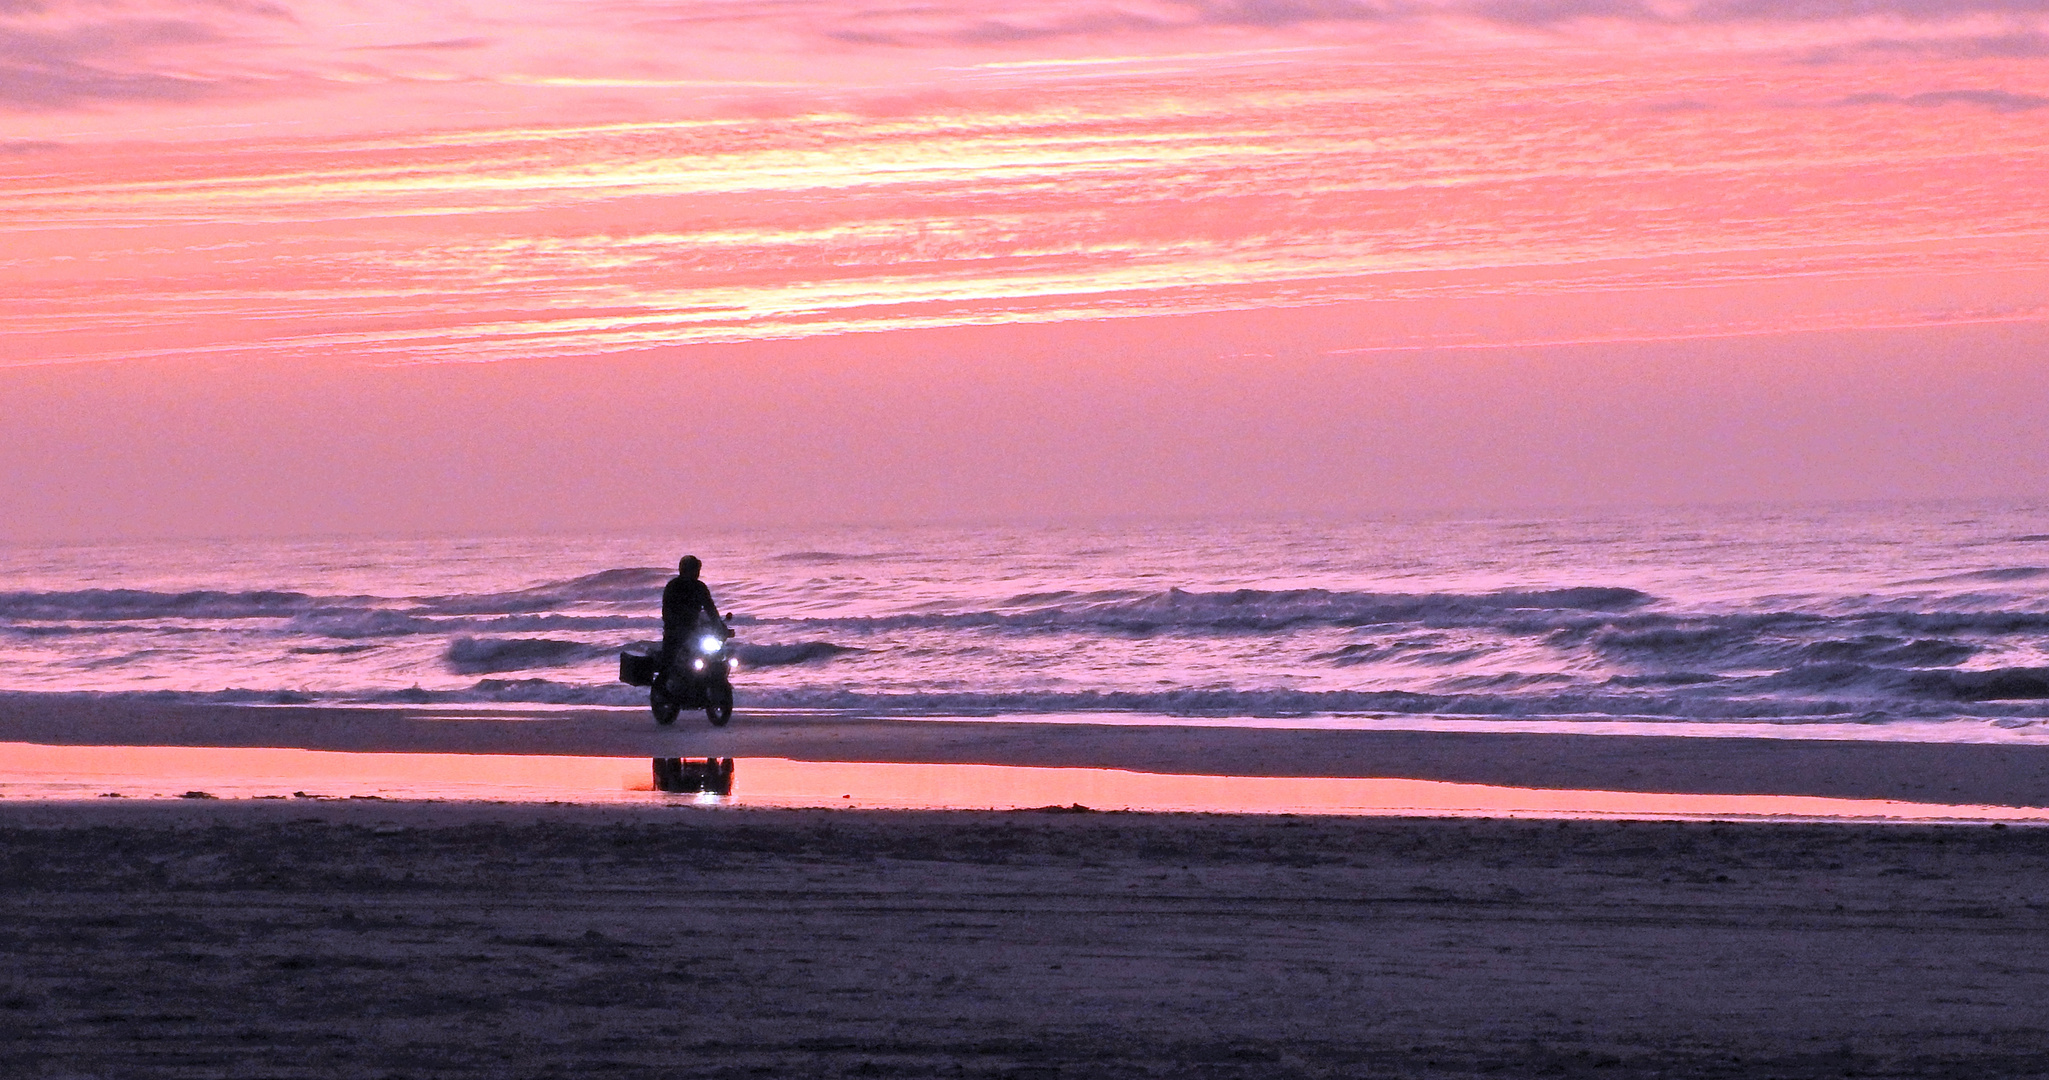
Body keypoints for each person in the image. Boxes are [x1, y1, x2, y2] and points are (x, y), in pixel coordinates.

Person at [661, 555, 724, 662]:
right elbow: (667, 610)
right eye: (693, 569)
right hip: (675, 632)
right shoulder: (673, 586)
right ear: (684, 570)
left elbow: (710, 608)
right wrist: (675, 626)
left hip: (694, 631)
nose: (696, 573)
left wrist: (720, 625)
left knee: (719, 657)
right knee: (668, 663)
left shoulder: (700, 587)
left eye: (697, 570)